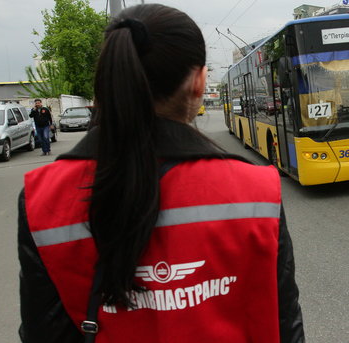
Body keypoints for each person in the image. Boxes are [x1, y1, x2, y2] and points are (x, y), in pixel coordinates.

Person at [18, 4, 304, 343]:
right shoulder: (256, 190)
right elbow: (286, 325)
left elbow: (44, 333)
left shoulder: (43, 197)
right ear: (199, 82)